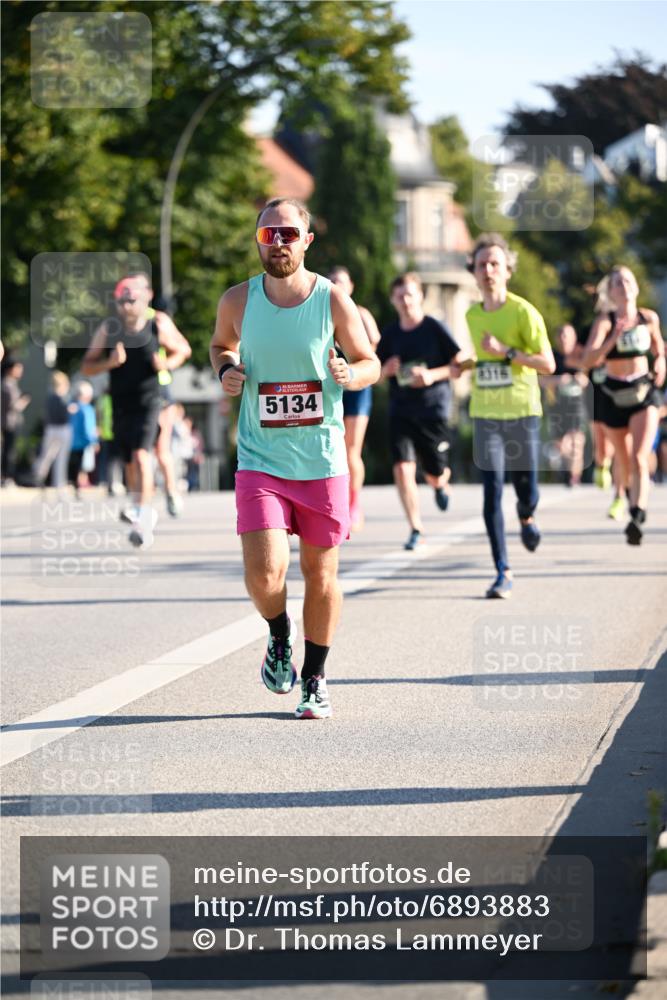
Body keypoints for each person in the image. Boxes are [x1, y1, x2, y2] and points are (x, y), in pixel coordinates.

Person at [209, 197, 379, 719]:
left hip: (322, 460)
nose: (277, 242)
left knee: (321, 575)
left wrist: (353, 374)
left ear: (306, 241)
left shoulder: (333, 301)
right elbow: (220, 345)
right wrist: (226, 370)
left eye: (287, 233)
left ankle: (315, 678)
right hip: (260, 457)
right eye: (268, 235)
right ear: (258, 241)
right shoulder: (238, 300)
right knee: (265, 575)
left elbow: (369, 360)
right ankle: (279, 632)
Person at [451, 233, 555, 599]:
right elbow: (482, 359)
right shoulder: (472, 314)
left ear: (507, 270)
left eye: (495, 264)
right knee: (491, 490)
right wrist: (463, 364)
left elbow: (547, 363)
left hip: (522, 411)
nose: (488, 270)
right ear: (474, 273)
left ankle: (527, 516)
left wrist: (508, 351)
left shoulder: (523, 312)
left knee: (527, 488)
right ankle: (502, 570)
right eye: (482, 265)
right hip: (486, 414)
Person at [81, 272, 191, 547]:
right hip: (121, 403)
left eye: (132, 300)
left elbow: (183, 350)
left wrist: (166, 365)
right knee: (130, 462)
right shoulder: (109, 328)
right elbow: (87, 365)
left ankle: (143, 517)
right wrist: (109, 363)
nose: (127, 305)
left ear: (144, 300)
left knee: (144, 456)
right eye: (122, 301)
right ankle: (139, 506)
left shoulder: (158, 324)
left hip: (151, 401)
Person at [376, 272, 462, 550]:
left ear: (420, 297)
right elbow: (372, 372)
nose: (405, 301)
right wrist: (384, 371)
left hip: (432, 409)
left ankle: (439, 485)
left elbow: (460, 365)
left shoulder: (434, 328)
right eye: (400, 296)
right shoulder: (390, 334)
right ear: (393, 300)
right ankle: (416, 527)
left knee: (434, 472)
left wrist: (432, 375)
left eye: (410, 294)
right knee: (402, 469)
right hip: (400, 409)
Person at [582, 265, 665, 545]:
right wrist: (612, 340)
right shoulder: (605, 321)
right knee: (625, 458)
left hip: (643, 391)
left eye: (627, 280)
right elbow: (588, 361)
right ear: (611, 292)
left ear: (636, 287)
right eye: (617, 282)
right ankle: (624, 496)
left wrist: (661, 362)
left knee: (641, 456)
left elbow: (658, 347)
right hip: (613, 394)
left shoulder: (647, 317)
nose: (623, 285)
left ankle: (637, 514)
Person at [328, 266, 381, 530]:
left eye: (341, 282)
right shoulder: (324, 313)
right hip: (333, 388)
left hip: (358, 387)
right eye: (333, 282)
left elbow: (373, 347)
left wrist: (350, 354)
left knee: (352, 450)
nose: (337, 286)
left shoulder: (360, 313)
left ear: (351, 286)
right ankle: (336, 502)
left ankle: (353, 504)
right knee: (335, 448)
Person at [541, 324, 588, 486]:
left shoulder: (580, 356)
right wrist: (557, 380)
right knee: (561, 444)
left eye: (567, 335)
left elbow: (590, 377)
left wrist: (582, 380)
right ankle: (564, 470)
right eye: (561, 335)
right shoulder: (551, 357)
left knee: (576, 442)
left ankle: (573, 476)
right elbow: (539, 380)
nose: (563, 339)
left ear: (574, 338)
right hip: (557, 407)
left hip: (576, 407)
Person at [33, 370, 72, 495]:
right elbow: (64, 414)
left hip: (51, 429)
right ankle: (58, 484)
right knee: (60, 458)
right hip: (62, 429)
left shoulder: (49, 397)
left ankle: (38, 477)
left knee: (46, 455)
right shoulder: (63, 398)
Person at [1, 357, 30, 486]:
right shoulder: (7, 384)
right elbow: (14, 406)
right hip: (9, 423)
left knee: (9, 451)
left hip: (10, 422)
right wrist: (24, 400)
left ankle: (6, 476)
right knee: (8, 451)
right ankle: (6, 477)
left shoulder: (9, 383)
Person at [68, 381, 98, 497]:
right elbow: (88, 427)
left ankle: (74, 484)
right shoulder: (87, 409)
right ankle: (79, 485)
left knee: (74, 465)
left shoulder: (71, 406)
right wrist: (93, 441)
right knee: (83, 466)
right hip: (83, 442)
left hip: (71, 442)